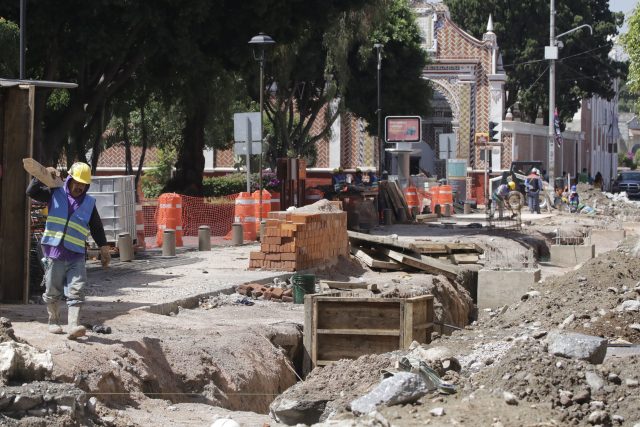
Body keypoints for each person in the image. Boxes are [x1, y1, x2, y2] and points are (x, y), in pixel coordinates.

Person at [26, 162, 110, 339]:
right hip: (54, 253)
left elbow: (96, 226)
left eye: (83, 184)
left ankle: (73, 325)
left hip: (76, 255)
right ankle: (54, 321)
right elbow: (31, 192)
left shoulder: (89, 203)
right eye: (77, 182)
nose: (79, 186)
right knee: (52, 290)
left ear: (87, 185)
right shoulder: (54, 192)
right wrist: (41, 176)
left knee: (76, 289)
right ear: (70, 179)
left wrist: (104, 248)